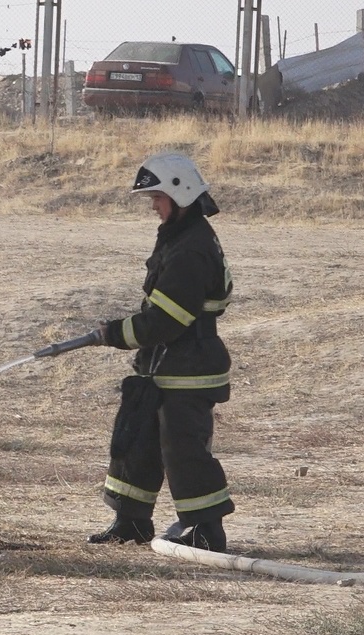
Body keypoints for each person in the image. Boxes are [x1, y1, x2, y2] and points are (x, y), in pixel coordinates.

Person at [87, 152, 235, 552]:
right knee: (135, 439)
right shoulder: (180, 235)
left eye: (157, 197)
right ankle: (130, 522)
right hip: (162, 364)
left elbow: (167, 320)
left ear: (179, 194)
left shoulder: (191, 248)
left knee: (183, 450)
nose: (153, 205)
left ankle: (207, 530)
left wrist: (114, 334)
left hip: (189, 369)